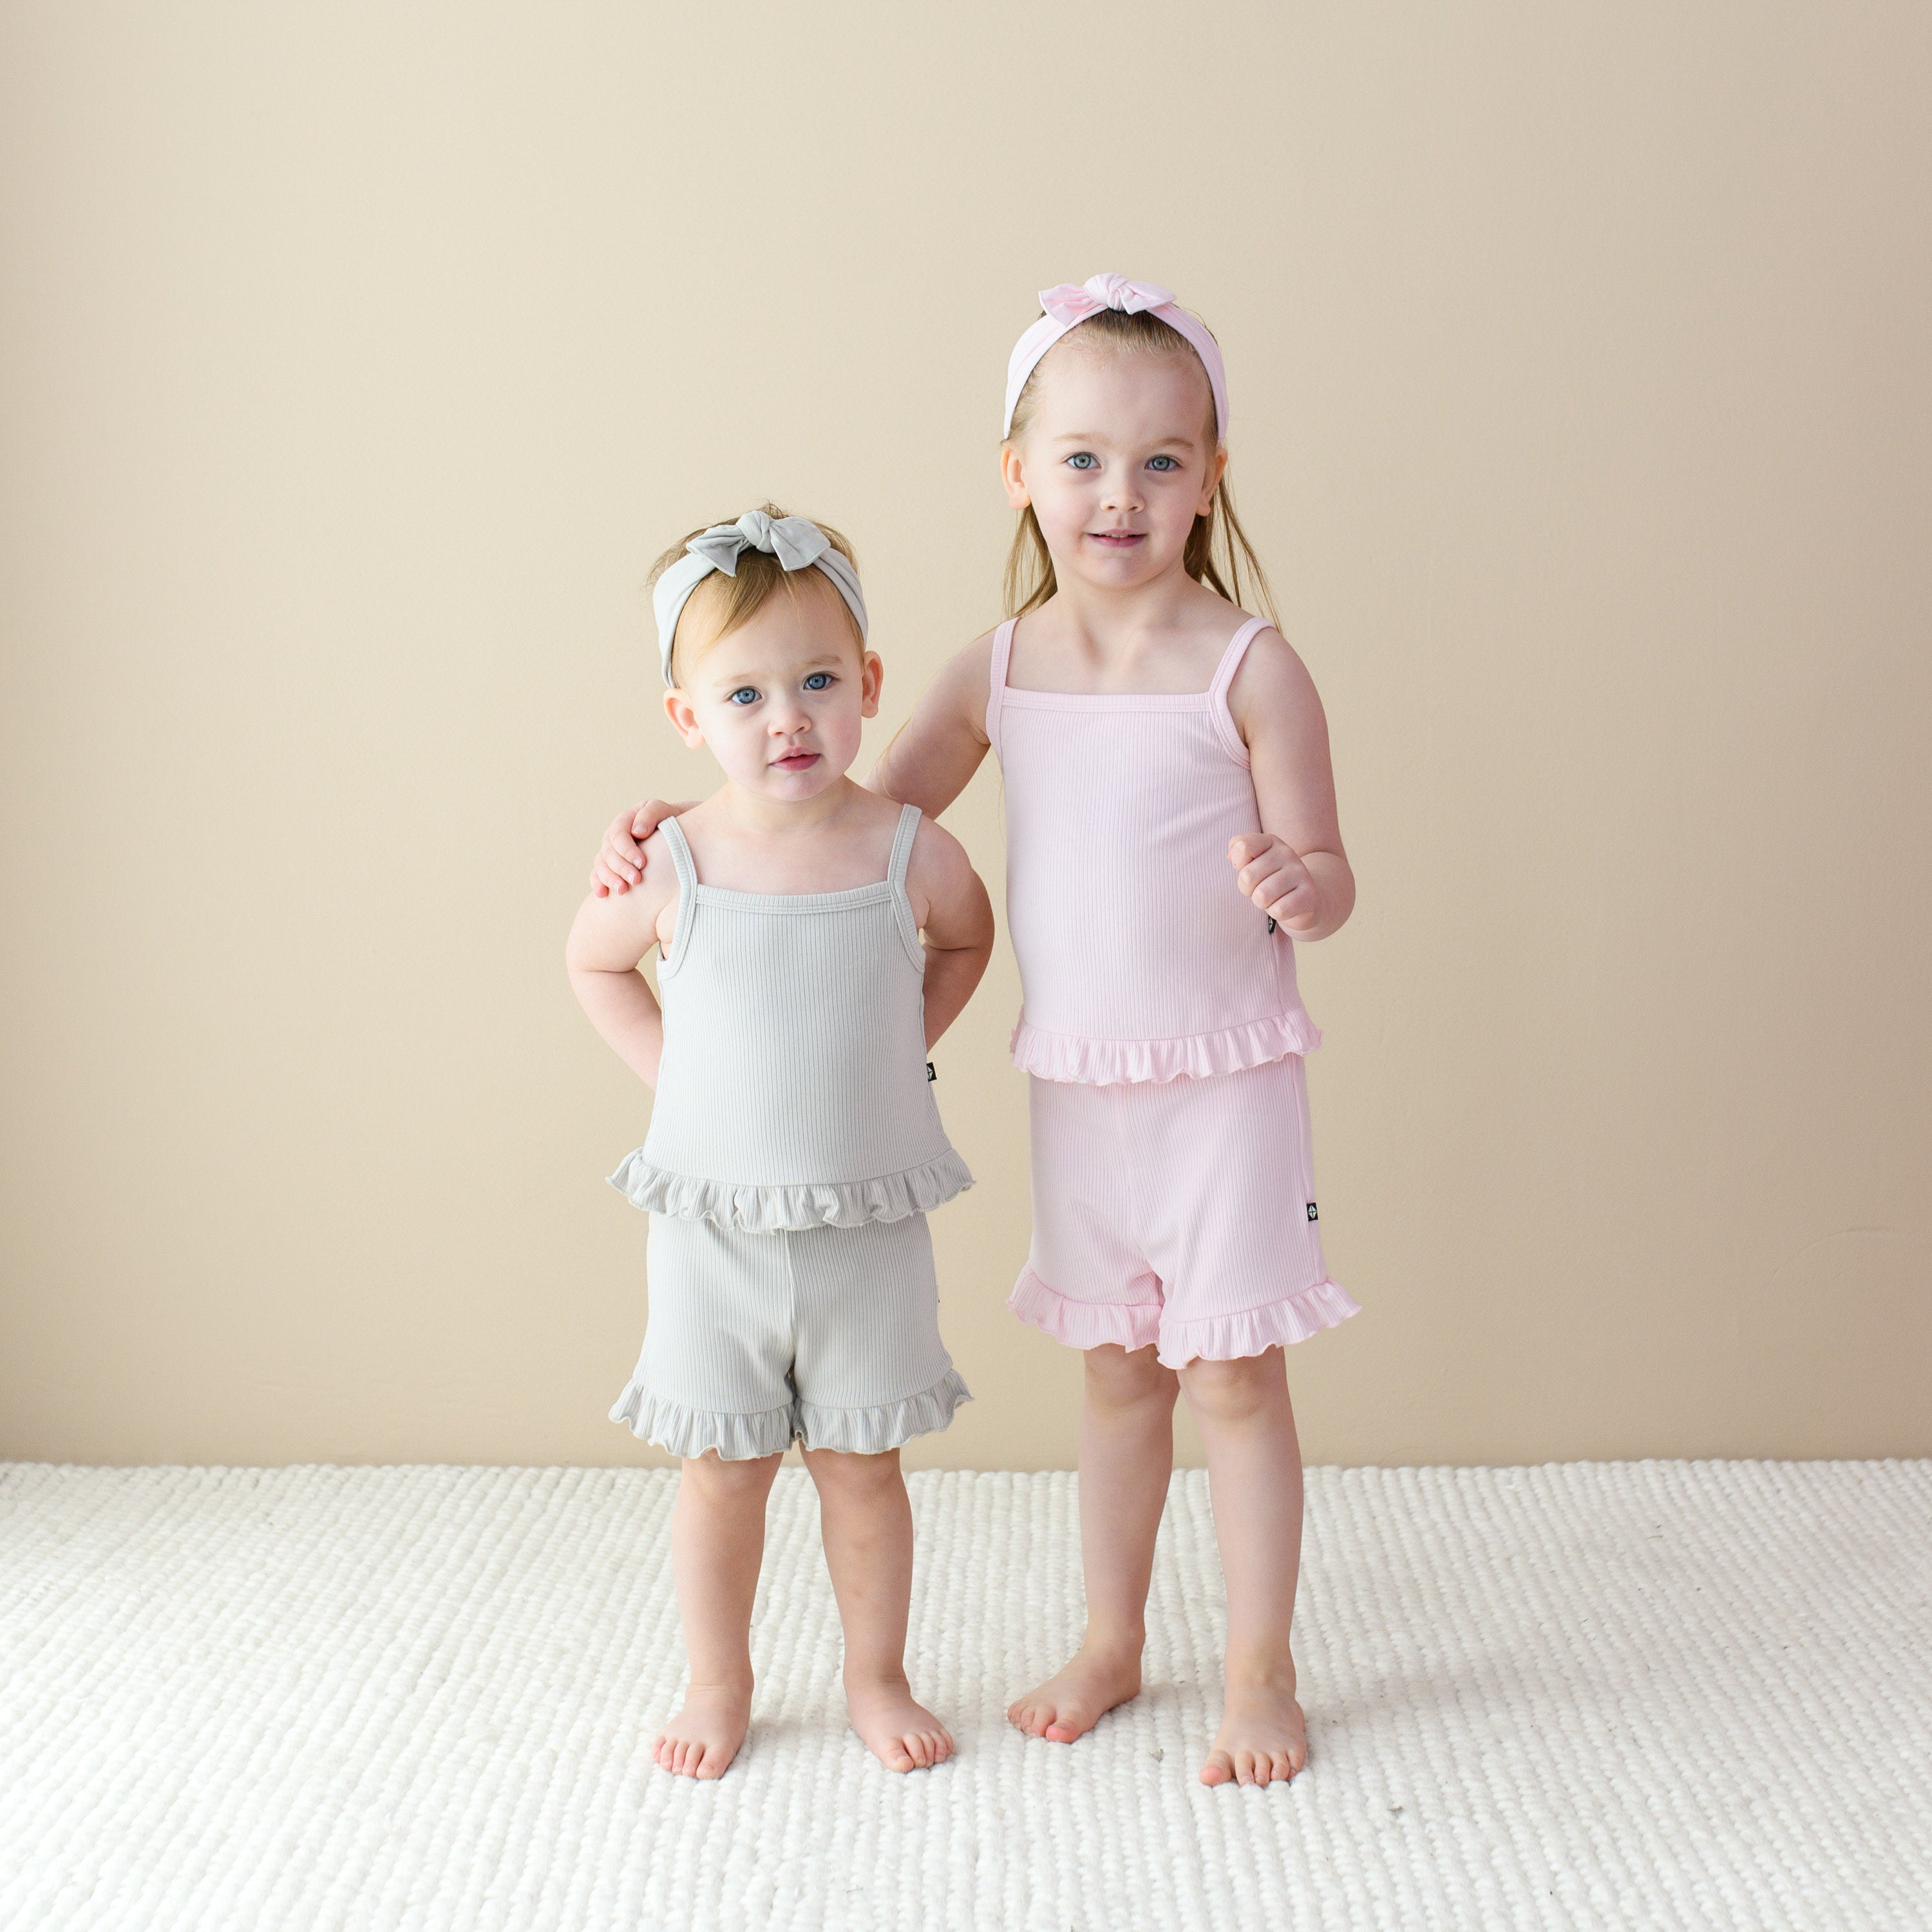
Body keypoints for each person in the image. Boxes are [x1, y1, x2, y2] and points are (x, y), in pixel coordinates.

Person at [592, 278, 1358, 1788]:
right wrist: (670, 827)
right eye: (1079, 459)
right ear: (1021, 474)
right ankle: (1115, 1637)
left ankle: (1261, 1669)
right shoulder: (1001, 669)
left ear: (1211, 472)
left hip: (1229, 1082)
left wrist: (1300, 884)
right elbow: (836, 813)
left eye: (1159, 459)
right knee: (1122, 1372)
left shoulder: (1248, 666)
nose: (1118, 495)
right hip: (1079, 1089)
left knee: (1236, 1377)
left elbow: (1329, 876)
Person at [566, 508, 994, 1780]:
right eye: (745, 693)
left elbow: (967, 942)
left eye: (817, 682)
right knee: (723, 1471)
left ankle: (878, 1674)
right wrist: (677, 1082)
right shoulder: (674, 860)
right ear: (688, 718)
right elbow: (593, 969)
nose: (788, 717)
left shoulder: (906, 849)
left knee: (865, 1469)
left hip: (866, 1227)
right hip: (714, 1239)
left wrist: (901, 1046)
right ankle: (719, 1679)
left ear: (868, 686)